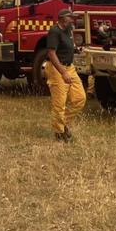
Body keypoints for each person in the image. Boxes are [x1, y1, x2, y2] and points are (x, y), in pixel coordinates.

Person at [45, 9, 86, 142]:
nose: (72, 20)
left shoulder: (68, 29)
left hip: (70, 67)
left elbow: (68, 45)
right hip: (58, 69)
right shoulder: (54, 31)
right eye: (70, 18)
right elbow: (51, 53)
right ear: (63, 18)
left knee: (80, 98)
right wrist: (63, 73)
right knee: (59, 104)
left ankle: (63, 123)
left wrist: (76, 49)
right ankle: (59, 132)